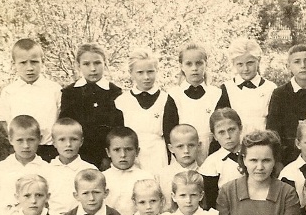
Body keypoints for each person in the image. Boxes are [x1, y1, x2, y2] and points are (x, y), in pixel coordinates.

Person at [59, 43, 124, 169]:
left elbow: (118, 129)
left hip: (106, 158)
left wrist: (108, 157)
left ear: (105, 63)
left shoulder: (114, 92)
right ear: (78, 66)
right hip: (77, 156)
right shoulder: (69, 93)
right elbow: (65, 126)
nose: (93, 69)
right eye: (86, 64)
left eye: (97, 63)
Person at [114, 48, 177, 177]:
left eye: (150, 72)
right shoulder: (121, 101)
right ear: (131, 73)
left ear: (157, 71)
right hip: (131, 154)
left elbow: (170, 134)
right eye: (140, 72)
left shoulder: (166, 99)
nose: (146, 77)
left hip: (158, 155)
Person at [0, 38, 61, 162]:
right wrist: (19, 140)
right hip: (22, 149)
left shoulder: (54, 89)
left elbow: (60, 118)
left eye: (34, 62)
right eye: (23, 63)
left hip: (49, 149)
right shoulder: (9, 91)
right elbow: (4, 121)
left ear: (42, 62)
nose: (29, 68)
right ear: (14, 64)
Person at [266, 44, 306, 164]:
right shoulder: (280, 94)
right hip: (288, 160)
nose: (303, 66)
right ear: (288, 66)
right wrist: (278, 162)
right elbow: (273, 131)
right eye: (297, 62)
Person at [166, 43, 222, 164]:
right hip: (183, 156)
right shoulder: (174, 95)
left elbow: (220, 128)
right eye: (189, 64)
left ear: (206, 64)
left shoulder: (216, 94)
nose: (194, 68)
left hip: (211, 154)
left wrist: (212, 159)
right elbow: (169, 131)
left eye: (199, 63)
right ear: (181, 66)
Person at [0, 115, 50, 215]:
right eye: (20, 140)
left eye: (31, 140)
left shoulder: (47, 169)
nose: (26, 145)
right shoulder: (1, 168)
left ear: (40, 139)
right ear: (10, 139)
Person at [217, 38, 277, 136]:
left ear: (258, 61)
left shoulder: (270, 88)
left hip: (263, 141)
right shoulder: (227, 88)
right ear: (233, 64)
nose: (245, 69)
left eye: (250, 63)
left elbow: (274, 123)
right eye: (240, 64)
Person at [47, 118, 98, 215]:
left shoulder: (89, 169)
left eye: (74, 139)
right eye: (62, 139)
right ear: (54, 142)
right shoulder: (47, 169)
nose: (68, 144)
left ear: (81, 142)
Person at [103, 127, 154, 215]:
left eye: (128, 149)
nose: (123, 155)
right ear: (108, 152)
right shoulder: (103, 178)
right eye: (117, 150)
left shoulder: (146, 177)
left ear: (137, 151)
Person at [199, 108, 244, 209]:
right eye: (221, 132)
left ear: (240, 129)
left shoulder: (252, 154)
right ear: (214, 136)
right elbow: (211, 201)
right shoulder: (212, 163)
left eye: (231, 130)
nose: (228, 136)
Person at [158, 124, 201, 210]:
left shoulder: (204, 173)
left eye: (191, 145)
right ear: (171, 148)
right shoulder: (161, 176)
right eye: (180, 146)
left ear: (198, 146)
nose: (186, 151)